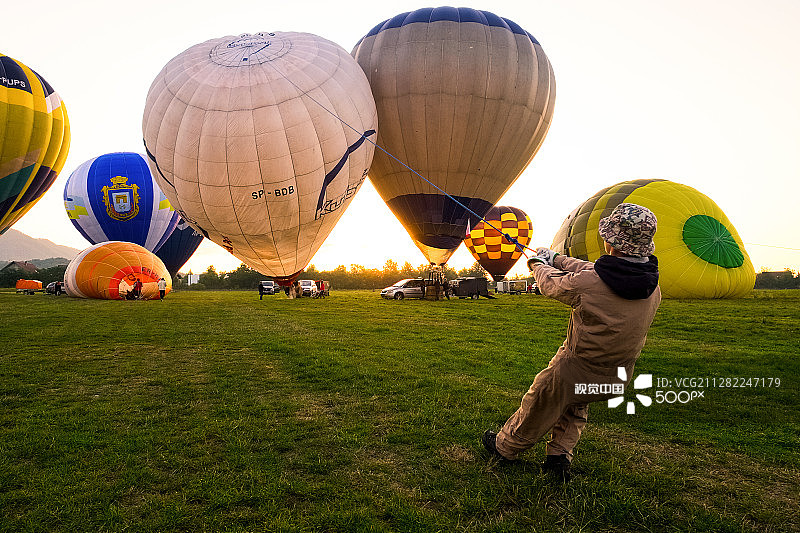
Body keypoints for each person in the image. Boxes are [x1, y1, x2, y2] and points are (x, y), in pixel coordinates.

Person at [482, 203, 661, 482]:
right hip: (617, 375)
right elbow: (597, 270)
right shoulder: (652, 285)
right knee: (576, 405)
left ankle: (505, 448)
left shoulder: (591, 283)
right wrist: (557, 257)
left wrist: (538, 265)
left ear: (611, 241)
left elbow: (553, 285)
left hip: (575, 366)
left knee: (538, 403)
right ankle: (558, 457)